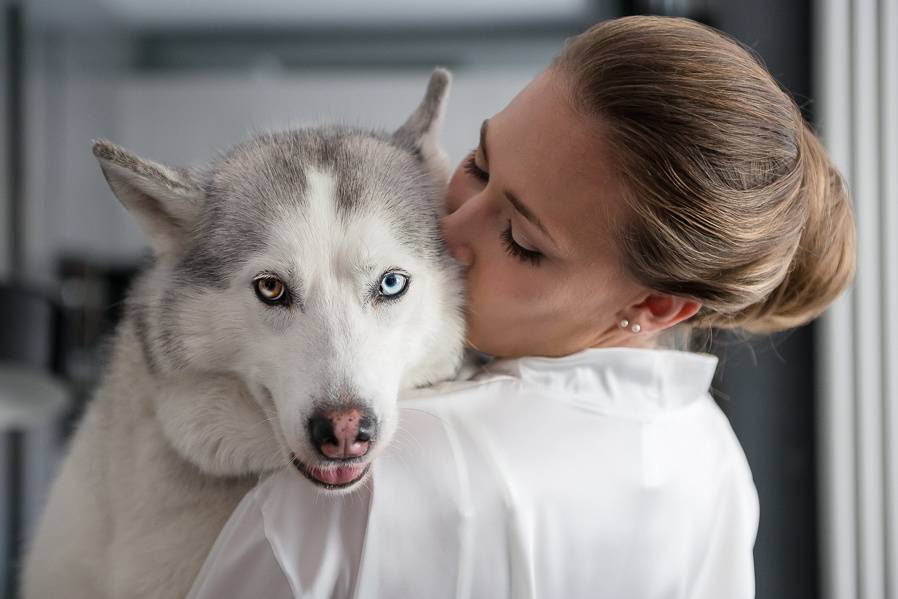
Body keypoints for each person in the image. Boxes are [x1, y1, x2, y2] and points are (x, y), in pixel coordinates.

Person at [187, 15, 855, 599]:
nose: (448, 231)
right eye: (479, 163)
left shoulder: (355, 486)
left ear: (655, 305)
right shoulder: (716, 466)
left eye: (519, 238)